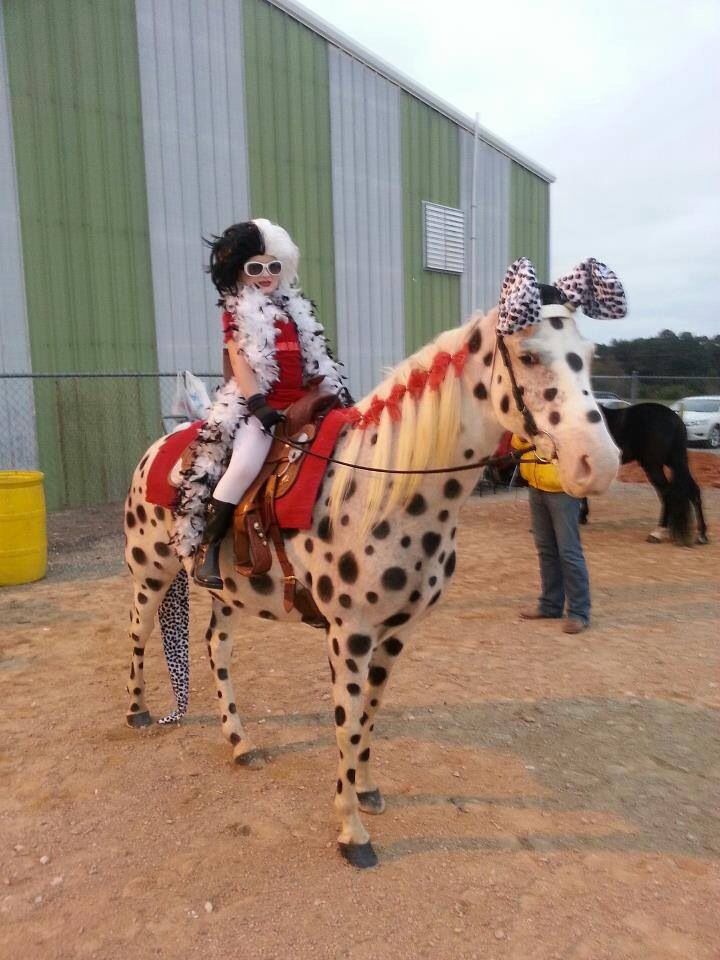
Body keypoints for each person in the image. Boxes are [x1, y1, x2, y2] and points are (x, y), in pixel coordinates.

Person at [191, 218, 346, 590]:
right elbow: (241, 362)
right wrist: (258, 404)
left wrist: (331, 392)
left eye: (272, 267)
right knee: (244, 466)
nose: (265, 275)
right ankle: (207, 548)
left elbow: (313, 358)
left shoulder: (294, 311)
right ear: (240, 273)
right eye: (255, 268)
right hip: (260, 409)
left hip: (304, 404)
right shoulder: (236, 312)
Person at [512, 434, 591, 634]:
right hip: (536, 485)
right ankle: (550, 604)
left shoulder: (565, 411)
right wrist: (524, 436)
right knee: (545, 548)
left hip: (563, 487)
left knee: (569, 551)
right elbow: (516, 441)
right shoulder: (533, 411)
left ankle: (579, 612)